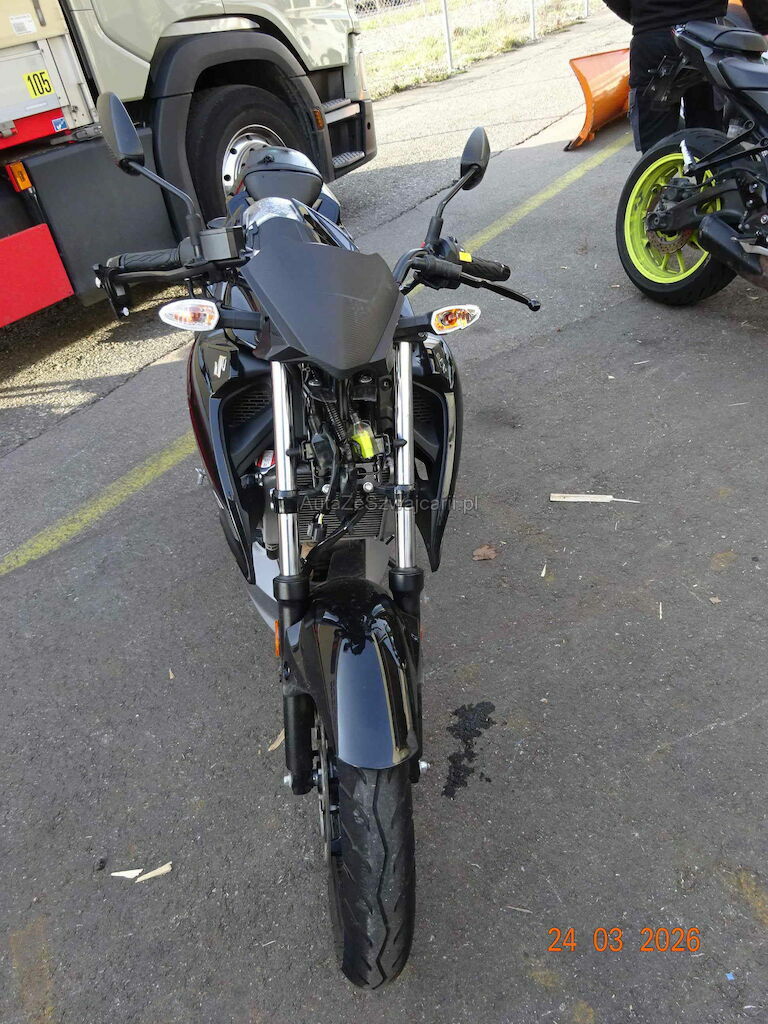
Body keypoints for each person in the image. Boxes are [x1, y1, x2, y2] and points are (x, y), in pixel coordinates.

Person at [603, 0, 768, 151]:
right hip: (707, 34)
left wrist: (645, 17)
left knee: (656, 144)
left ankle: (662, 168)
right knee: (709, 136)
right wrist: (762, 25)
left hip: (654, 34)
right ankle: (716, 170)